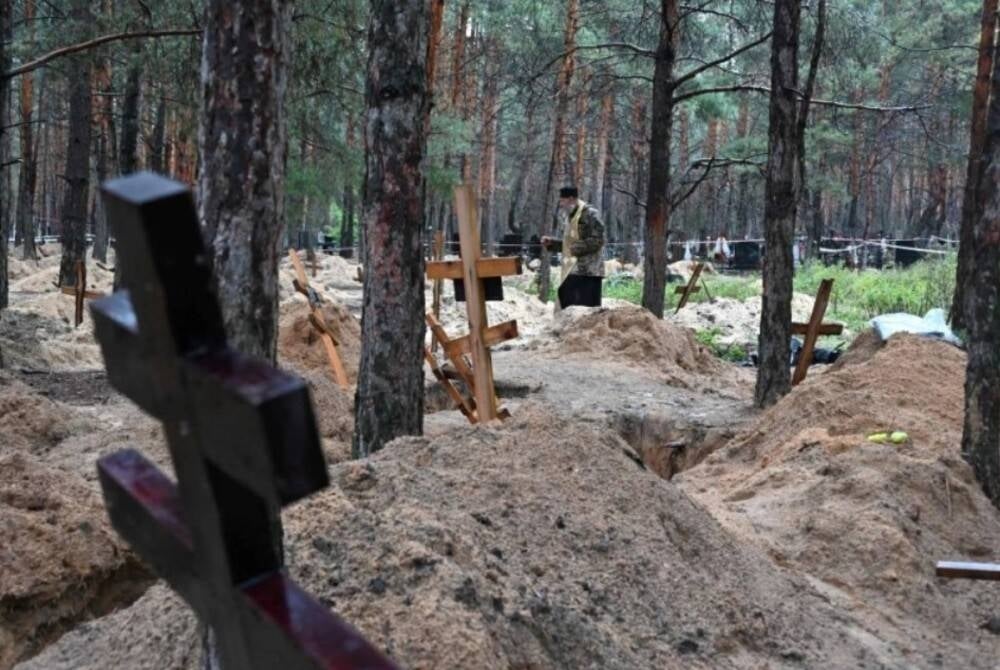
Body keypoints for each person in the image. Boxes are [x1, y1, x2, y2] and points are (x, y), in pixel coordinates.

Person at [541, 186, 605, 308]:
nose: (561, 204)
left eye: (562, 201)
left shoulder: (591, 214)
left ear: (571, 199)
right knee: (567, 305)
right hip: (571, 270)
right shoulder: (570, 217)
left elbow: (598, 240)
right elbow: (569, 243)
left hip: (589, 272)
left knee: (588, 310)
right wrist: (552, 244)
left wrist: (574, 248)